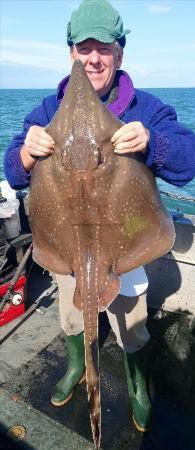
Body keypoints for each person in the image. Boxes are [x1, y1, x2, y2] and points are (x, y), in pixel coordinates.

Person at [4, 0, 195, 434]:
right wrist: (25, 152)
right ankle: (77, 366)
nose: (93, 58)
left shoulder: (146, 108)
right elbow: (12, 171)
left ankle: (138, 388)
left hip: (123, 244)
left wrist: (153, 143)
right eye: (83, 48)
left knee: (132, 329)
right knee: (73, 317)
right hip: (66, 244)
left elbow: (189, 160)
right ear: (71, 52)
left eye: (103, 48)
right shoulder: (46, 111)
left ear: (119, 53)